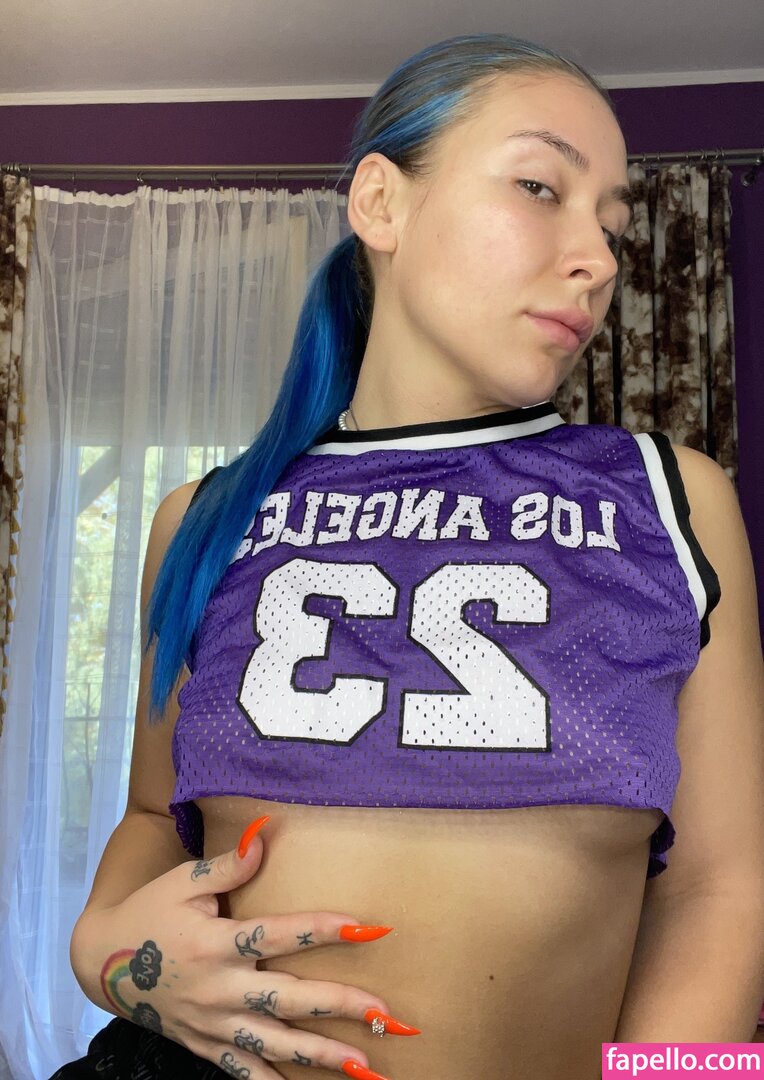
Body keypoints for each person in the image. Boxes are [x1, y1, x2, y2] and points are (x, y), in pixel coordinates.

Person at [54, 32, 764, 1080]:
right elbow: (157, 819)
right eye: (540, 187)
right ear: (381, 203)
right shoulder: (206, 516)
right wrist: (104, 956)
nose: (600, 258)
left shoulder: (670, 498)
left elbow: (717, 887)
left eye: (612, 224)